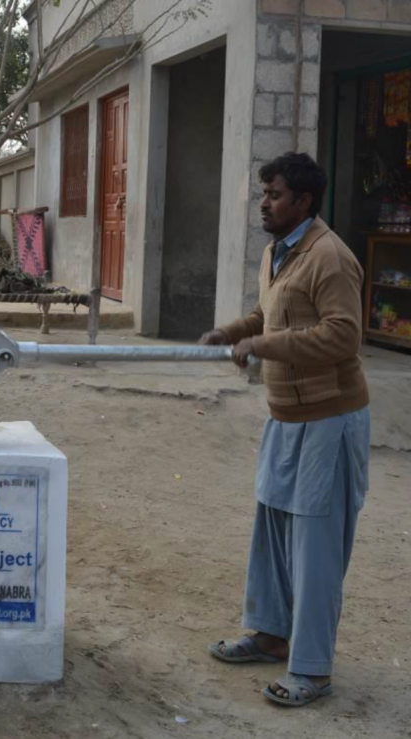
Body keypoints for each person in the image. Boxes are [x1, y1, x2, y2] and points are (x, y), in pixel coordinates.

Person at [202, 152, 370, 708]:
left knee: (315, 551)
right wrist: (232, 331)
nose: (264, 203)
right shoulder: (278, 252)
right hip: (285, 417)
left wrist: (264, 345)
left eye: (273, 194)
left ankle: (313, 670)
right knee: (271, 534)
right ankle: (271, 637)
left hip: (329, 420)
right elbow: (268, 316)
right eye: (264, 193)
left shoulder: (330, 257)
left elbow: (343, 335)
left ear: (302, 200)